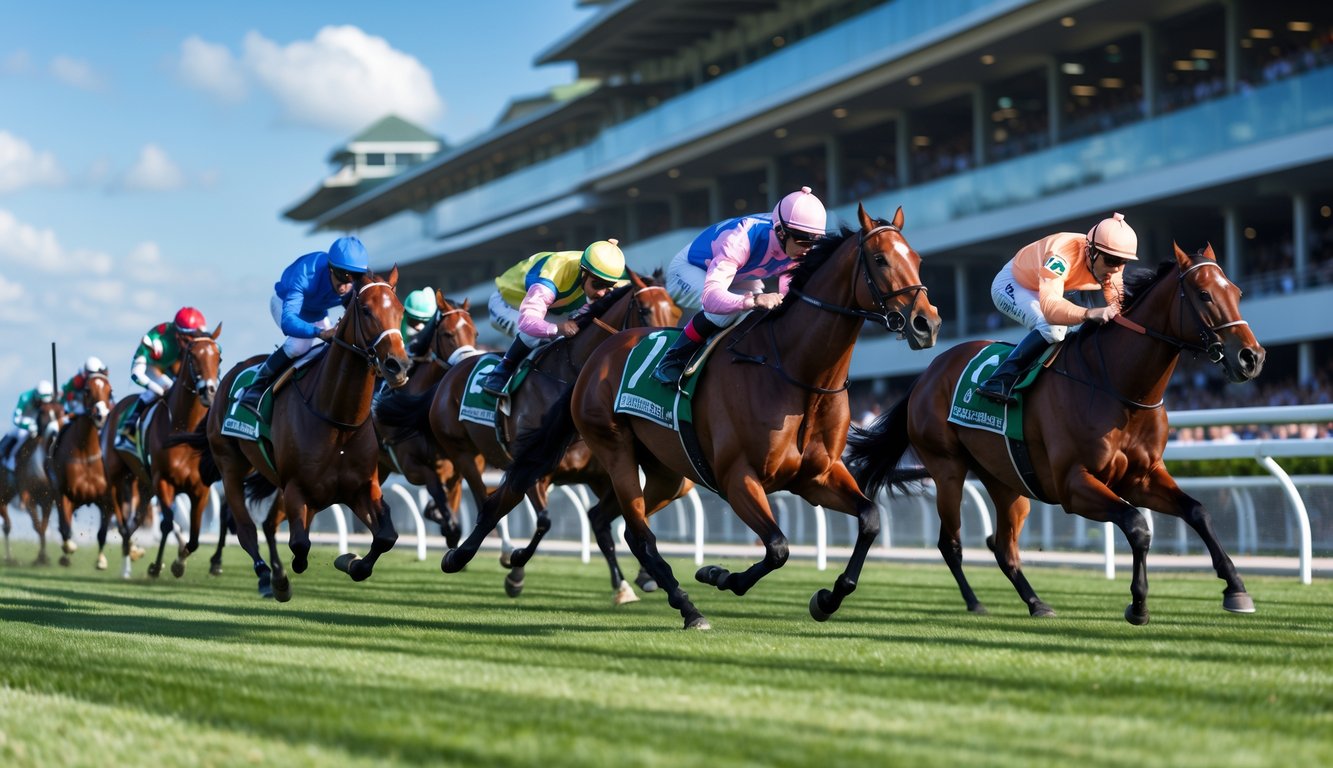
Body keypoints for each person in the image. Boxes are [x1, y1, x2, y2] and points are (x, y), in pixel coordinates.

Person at [652, 186, 827, 386]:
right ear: (780, 232)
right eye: (802, 240)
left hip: (739, 273)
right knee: (725, 312)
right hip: (689, 269)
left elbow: (789, 294)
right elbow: (711, 298)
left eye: (814, 241)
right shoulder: (740, 239)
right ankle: (672, 359)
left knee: (760, 315)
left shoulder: (795, 246)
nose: (808, 249)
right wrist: (753, 300)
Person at [975, 212, 1137, 405]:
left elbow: (1117, 303)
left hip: (1051, 286)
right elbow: (1051, 309)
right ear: (1091, 251)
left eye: (1122, 262)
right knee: (1052, 328)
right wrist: (1089, 313)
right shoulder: (1060, 257)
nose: (1116, 269)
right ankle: (999, 380)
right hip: (1015, 284)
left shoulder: (1110, 261)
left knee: (1084, 330)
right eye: (1111, 261)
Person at [237, 235, 370, 413]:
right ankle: (257, 386)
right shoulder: (307, 273)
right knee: (298, 346)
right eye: (342, 275)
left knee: (338, 346)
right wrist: (319, 332)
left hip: (317, 312)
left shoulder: (353, 284)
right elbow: (288, 322)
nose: (346, 285)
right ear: (331, 269)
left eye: (353, 277)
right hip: (285, 305)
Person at [480, 239, 628, 396]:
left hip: (551, 309)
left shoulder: (607, 276)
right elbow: (527, 322)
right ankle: (501, 372)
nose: (601, 293)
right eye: (597, 285)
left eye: (608, 287)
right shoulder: (550, 279)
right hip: (507, 305)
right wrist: (558, 328)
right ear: (583, 273)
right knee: (533, 335)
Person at [117, 308, 208, 444]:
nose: (193, 343)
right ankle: (130, 423)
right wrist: (155, 387)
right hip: (150, 367)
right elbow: (136, 374)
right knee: (165, 388)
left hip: (171, 366)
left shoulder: (185, 340)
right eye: (189, 339)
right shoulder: (155, 340)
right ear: (178, 335)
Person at [1, 380, 55, 472]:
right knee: (22, 435)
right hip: (23, 427)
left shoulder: (50, 400)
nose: (44, 405)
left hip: (40, 425)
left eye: (46, 402)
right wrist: (28, 425)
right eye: (41, 402)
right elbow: (16, 418)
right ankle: (11, 461)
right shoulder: (25, 397)